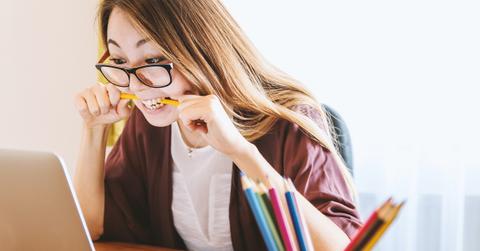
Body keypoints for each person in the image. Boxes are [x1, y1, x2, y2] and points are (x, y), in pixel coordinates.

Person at [73, 1, 361, 250]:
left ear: (201, 49)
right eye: (120, 60)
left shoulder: (289, 121)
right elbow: (90, 229)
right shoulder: (149, 125)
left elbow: (341, 248)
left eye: (153, 59)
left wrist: (240, 152)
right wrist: (94, 130)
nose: (135, 85)